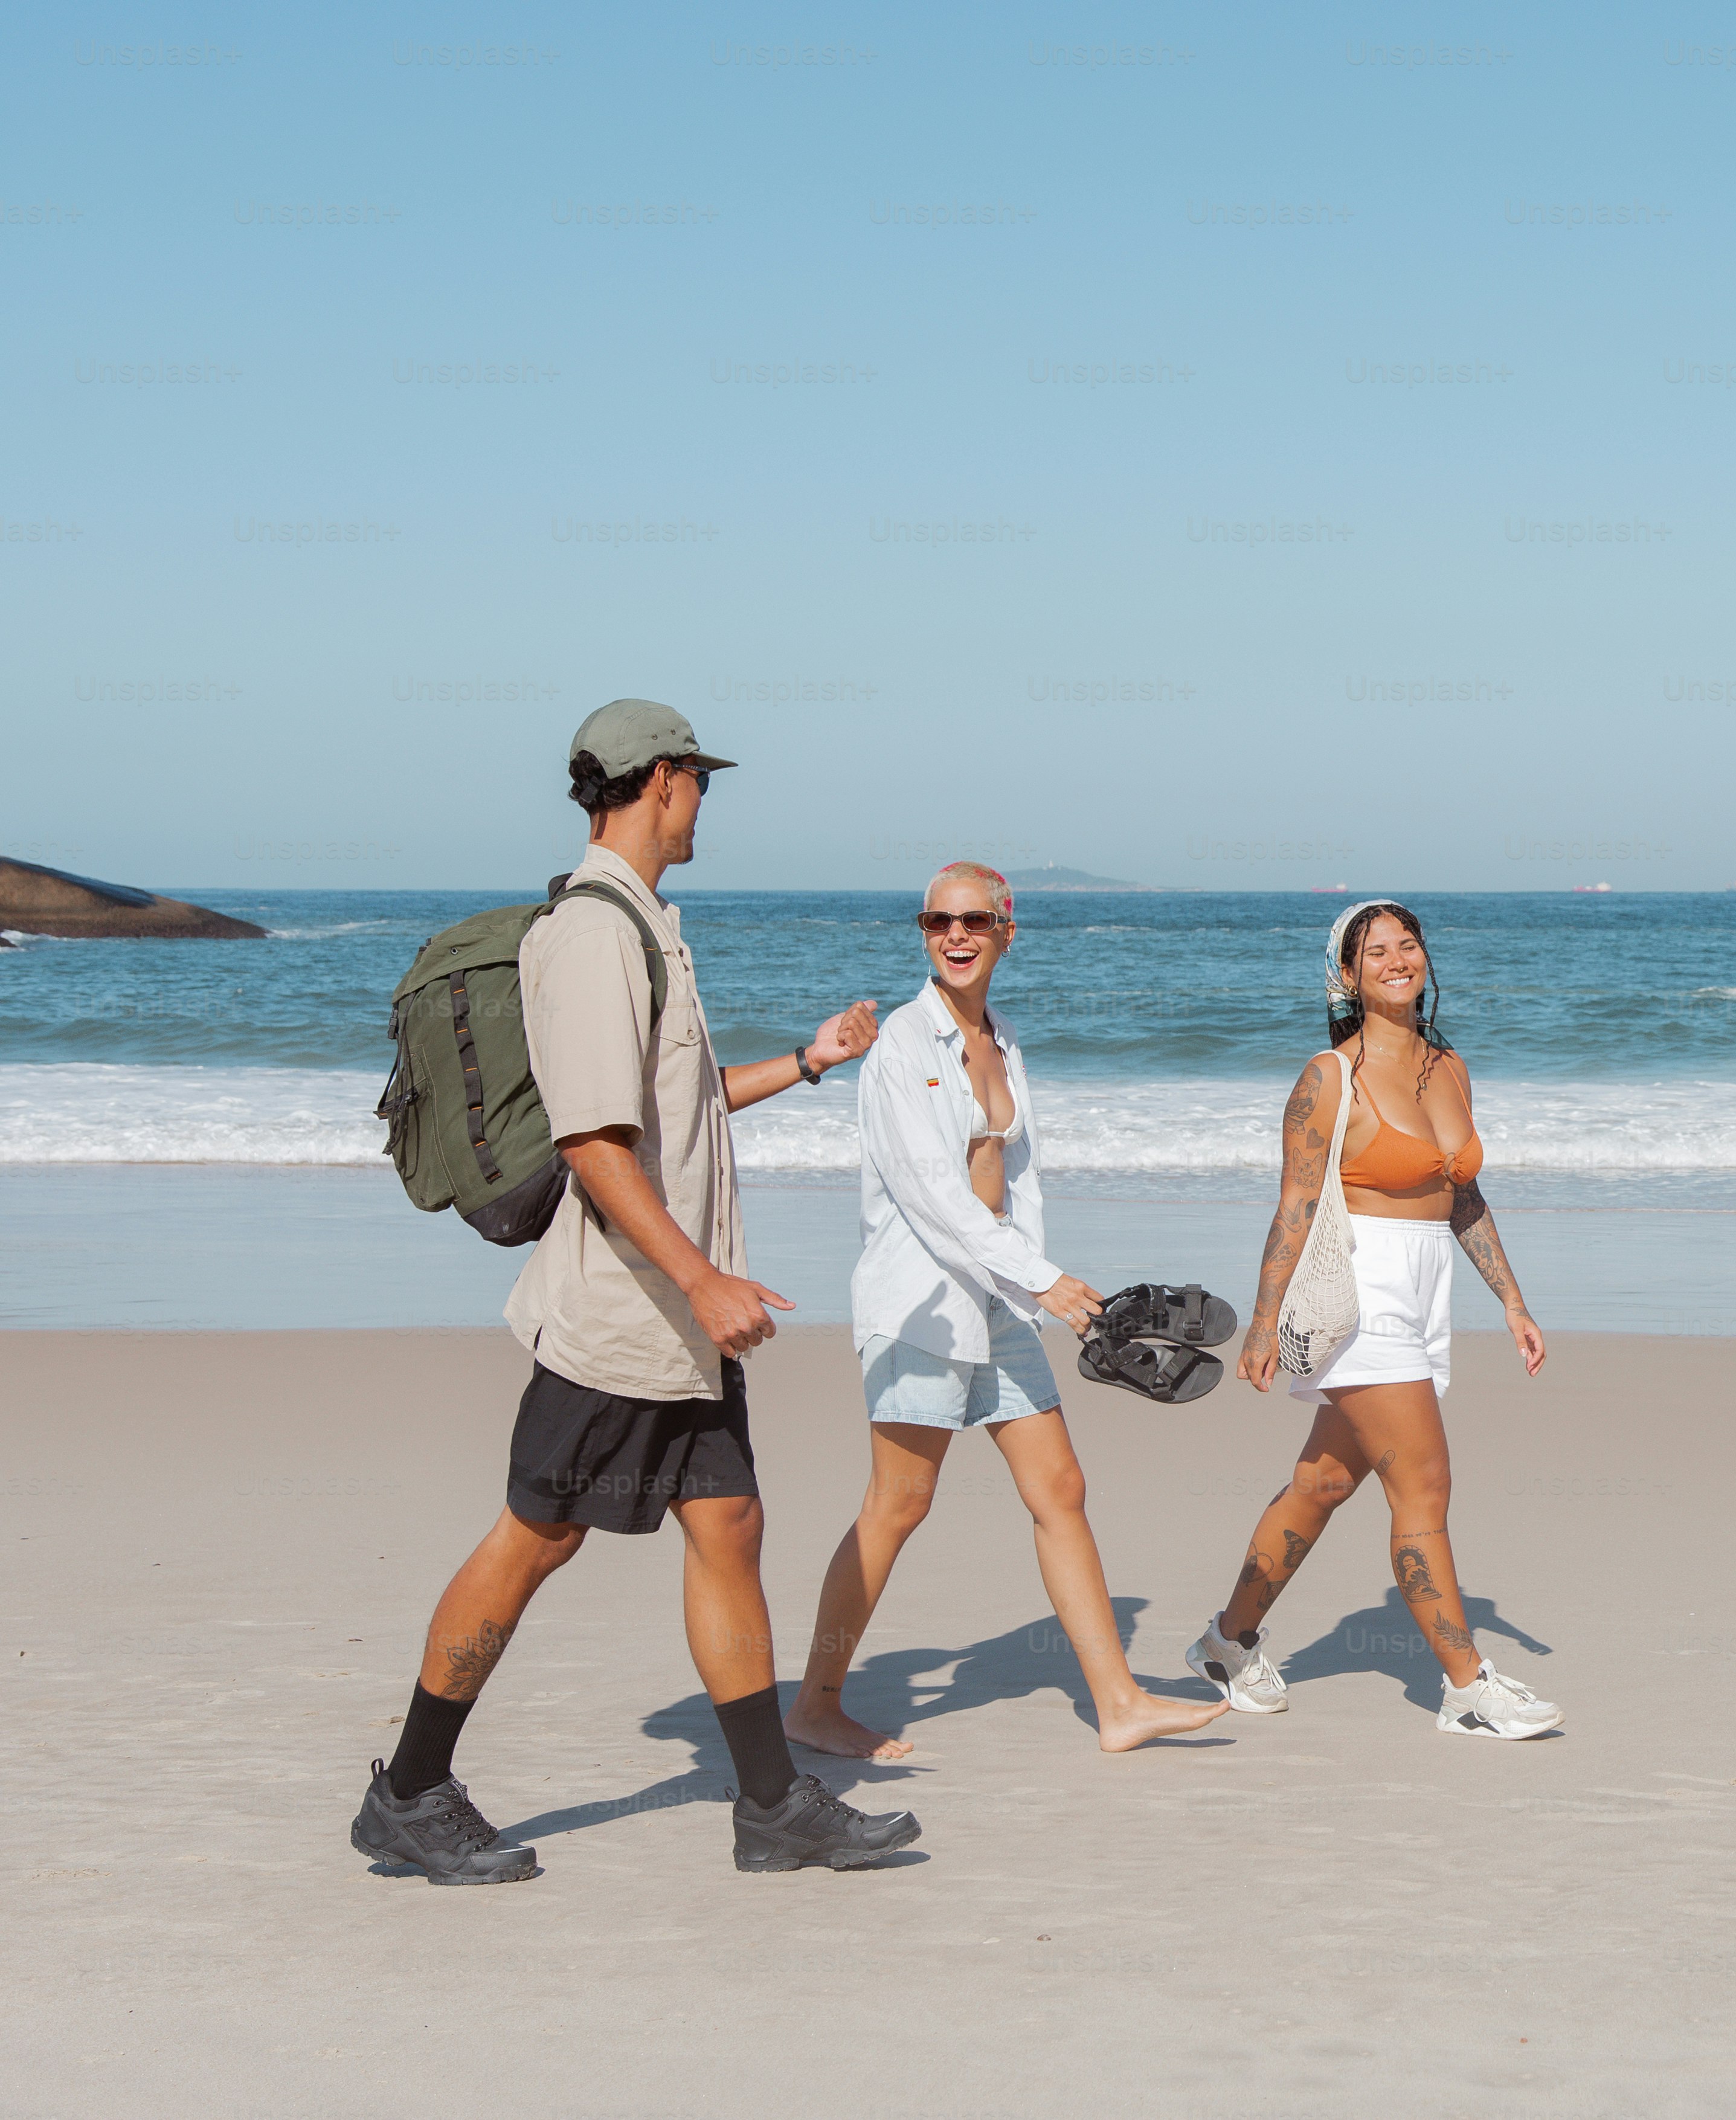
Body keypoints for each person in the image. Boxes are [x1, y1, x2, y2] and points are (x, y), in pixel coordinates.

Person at [350, 698, 917, 1884]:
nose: (704, 800)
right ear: (664, 780)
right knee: (536, 1535)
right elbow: (597, 1142)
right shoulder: (597, 935)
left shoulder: (645, 925)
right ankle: (408, 1790)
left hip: (674, 1322)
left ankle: (770, 1805)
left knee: (730, 1522)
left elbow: (682, 1103)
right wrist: (703, 1278)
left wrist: (810, 1064)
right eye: (699, 780)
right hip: (623, 1312)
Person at [786, 862, 1230, 1759]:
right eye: (938, 919)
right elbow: (934, 1198)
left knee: (1059, 1488)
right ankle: (816, 1702)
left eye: (975, 921)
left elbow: (1014, 1183)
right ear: (924, 931)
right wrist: (1043, 1280)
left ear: (1006, 931)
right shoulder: (903, 1048)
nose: (955, 935)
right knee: (897, 1503)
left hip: (998, 1300)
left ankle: (1117, 1701)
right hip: (919, 1307)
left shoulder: (1004, 1040)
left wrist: (1040, 1288)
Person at [1185, 900, 1561, 1738]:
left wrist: (1512, 1299)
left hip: (1428, 1289)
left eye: (1409, 944)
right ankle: (1467, 1686)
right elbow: (1295, 1203)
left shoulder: (1450, 1067)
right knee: (1423, 1484)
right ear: (1347, 975)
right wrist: (1262, 1321)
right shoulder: (1330, 1075)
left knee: (1321, 1483)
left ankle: (1227, 1640)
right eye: (1375, 951)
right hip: (1360, 1292)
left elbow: (1460, 1194)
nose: (1397, 960)